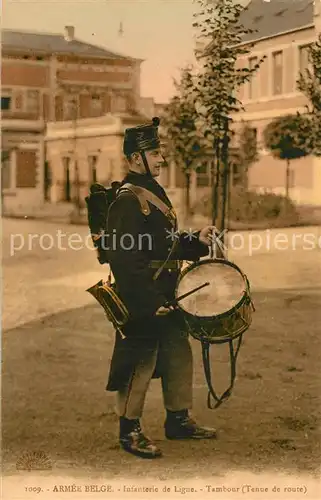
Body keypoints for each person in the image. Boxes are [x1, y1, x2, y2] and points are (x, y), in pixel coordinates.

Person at [106, 116, 217, 459]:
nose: (162, 158)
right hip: (144, 294)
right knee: (141, 357)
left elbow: (164, 243)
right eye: (155, 152)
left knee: (176, 351)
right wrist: (148, 300)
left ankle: (178, 419)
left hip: (168, 290)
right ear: (136, 158)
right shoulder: (128, 198)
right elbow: (123, 259)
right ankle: (130, 430)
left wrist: (195, 242)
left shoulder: (152, 191)